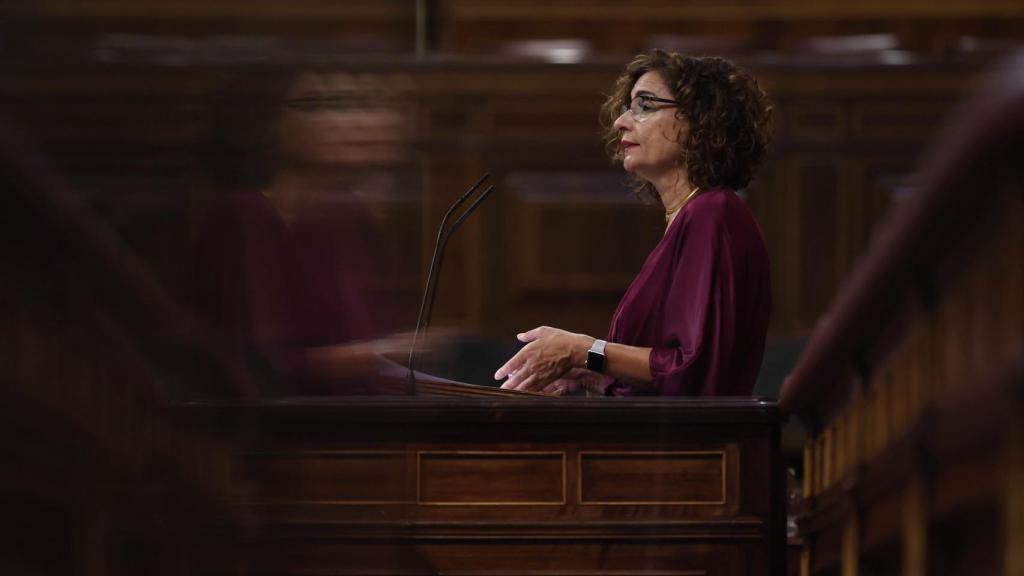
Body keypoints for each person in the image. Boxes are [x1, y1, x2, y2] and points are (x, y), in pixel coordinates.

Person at [495, 50, 773, 396]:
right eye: (628, 106)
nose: (621, 122)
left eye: (645, 105)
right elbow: (668, 378)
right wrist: (589, 377)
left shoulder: (712, 214)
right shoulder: (692, 215)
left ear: (700, 122)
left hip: (695, 449)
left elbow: (693, 370)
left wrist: (584, 351)